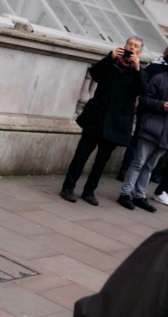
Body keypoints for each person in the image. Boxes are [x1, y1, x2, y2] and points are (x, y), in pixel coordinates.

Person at [60, 36, 145, 206]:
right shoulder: (111, 63)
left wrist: (137, 69)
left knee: (101, 161)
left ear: (139, 52)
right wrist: (110, 57)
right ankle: (68, 188)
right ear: (124, 45)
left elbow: (142, 90)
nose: (131, 48)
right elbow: (95, 74)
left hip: (116, 123)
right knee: (81, 155)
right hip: (97, 118)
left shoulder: (139, 72)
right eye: (129, 44)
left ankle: (89, 191)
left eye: (136, 46)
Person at [117, 48, 168, 212]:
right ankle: (125, 193)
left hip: (165, 135)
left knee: (150, 167)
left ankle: (139, 195)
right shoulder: (160, 78)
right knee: (138, 162)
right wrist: (162, 105)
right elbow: (144, 100)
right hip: (152, 129)